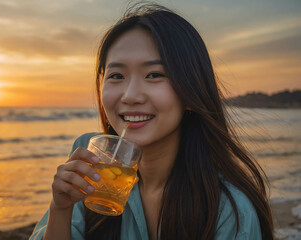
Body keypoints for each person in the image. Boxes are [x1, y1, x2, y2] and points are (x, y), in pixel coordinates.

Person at [30, 3, 274, 240]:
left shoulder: (227, 210)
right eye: (116, 75)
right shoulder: (90, 160)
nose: (130, 96)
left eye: (154, 75)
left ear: (191, 90)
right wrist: (60, 208)